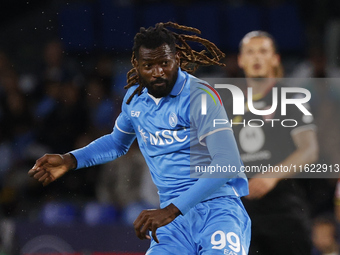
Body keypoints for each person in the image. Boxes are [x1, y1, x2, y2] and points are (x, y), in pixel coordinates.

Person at [28, 22, 251, 255]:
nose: (158, 72)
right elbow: (116, 143)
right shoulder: (134, 101)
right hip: (173, 222)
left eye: (164, 63)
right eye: (149, 65)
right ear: (137, 65)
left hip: (217, 211)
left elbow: (227, 163)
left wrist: (172, 210)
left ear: (177, 58)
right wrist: (70, 159)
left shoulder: (200, 97)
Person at [227, 31, 319, 255]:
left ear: (275, 58)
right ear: (241, 60)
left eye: (263, 51)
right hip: (242, 213)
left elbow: (309, 150)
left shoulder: (292, 98)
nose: (256, 58)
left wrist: (271, 176)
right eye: (250, 52)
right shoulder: (229, 105)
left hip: (284, 209)